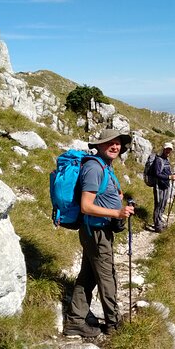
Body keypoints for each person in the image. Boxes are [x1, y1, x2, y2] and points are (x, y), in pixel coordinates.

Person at [63, 128, 135, 338]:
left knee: (88, 276)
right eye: (109, 143)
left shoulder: (105, 166)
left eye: (118, 143)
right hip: (96, 232)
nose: (115, 146)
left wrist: (117, 198)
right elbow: (86, 206)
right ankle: (113, 325)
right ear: (99, 145)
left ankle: (76, 320)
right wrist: (117, 212)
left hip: (97, 231)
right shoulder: (94, 168)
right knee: (107, 277)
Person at [152, 142, 175, 233]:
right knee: (159, 205)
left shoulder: (166, 160)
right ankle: (157, 226)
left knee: (163, 205)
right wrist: (169, 177)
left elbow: (167, 173)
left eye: (170, 150)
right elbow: (157, 174)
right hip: (159, 186)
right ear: (163, 149)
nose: (168, 151)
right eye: (167, 149)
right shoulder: (158, 160)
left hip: (166, 185)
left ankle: (159, 221)